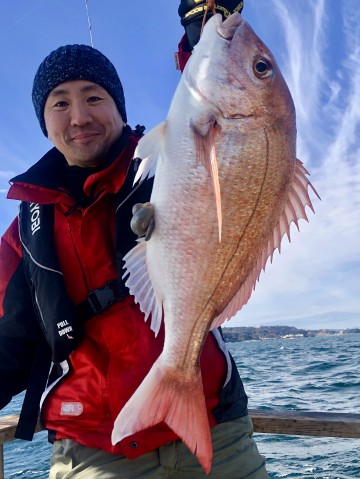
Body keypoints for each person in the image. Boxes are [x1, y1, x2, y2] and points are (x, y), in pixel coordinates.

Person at [0, 1, 268, 478]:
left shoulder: (160, 164)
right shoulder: (25, 230)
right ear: (45, 122)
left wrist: (203, 31)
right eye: (59, 102)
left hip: (215, 430)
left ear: (120, 108)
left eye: (94, 97)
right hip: (96, 446)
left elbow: (217, 126)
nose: (79, 115)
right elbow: (11, 342)